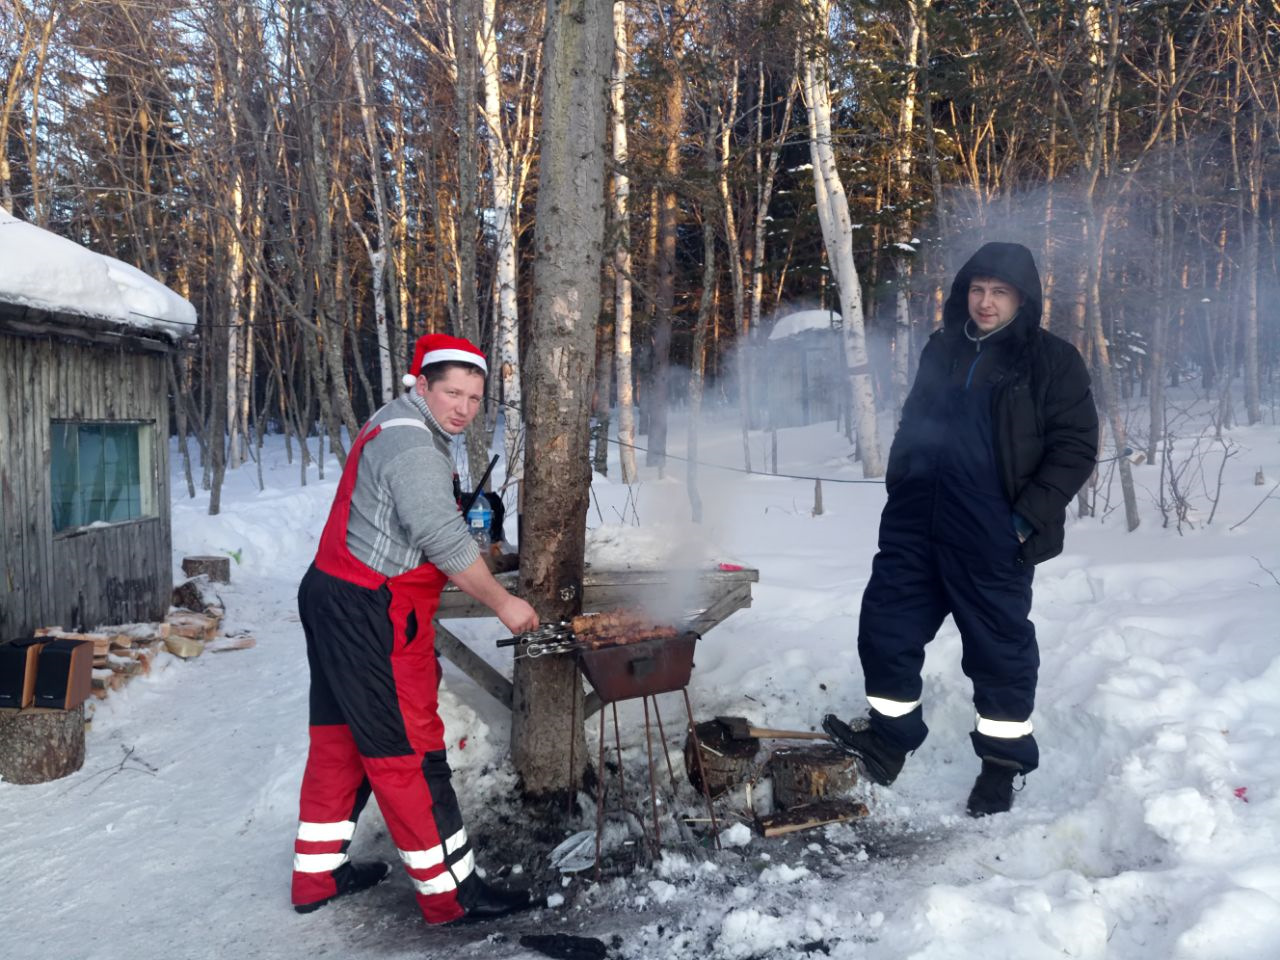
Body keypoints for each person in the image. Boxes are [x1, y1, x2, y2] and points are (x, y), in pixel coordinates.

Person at [823, 242, 1098, 817]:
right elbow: (914, 419)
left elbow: (1075, 448)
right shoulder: (942, 349)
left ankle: (1001, 765)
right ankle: (890, 739)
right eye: (977, 289)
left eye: (999, 292)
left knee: (998, 652)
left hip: (993, 532)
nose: (986, 302)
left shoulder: (1051, 361)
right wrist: (901, 481)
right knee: (885, 631)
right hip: (917, 523)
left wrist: (1022, 520)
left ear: (1023, 298)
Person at [290, 333, 540, 924]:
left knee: (340, 741)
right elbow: (440, 535)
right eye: (452, 392)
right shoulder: (414, 447)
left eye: (476, 398)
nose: (463, 407)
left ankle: (316, 876)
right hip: (369, 612)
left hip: (335, 594)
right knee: (408, 749)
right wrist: (504, 603)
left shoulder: (398, 422)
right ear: (421, 385)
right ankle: (452, 896)